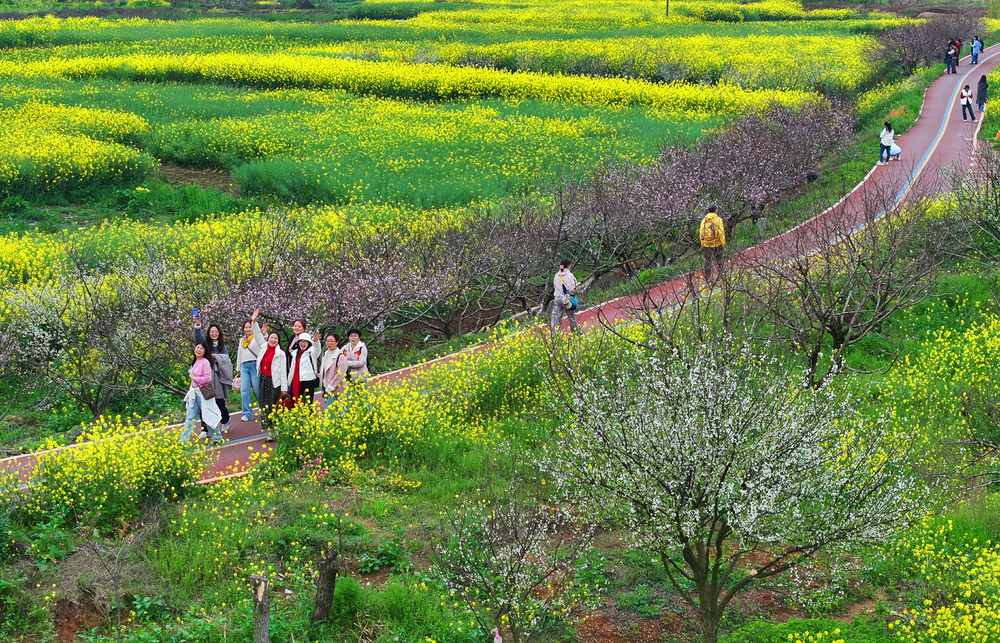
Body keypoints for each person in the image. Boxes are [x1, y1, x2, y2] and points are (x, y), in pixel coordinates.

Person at [193, 318, 233, 433]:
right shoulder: (205, 344)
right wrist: (197, 325)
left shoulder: (222, 346)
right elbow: (198, 338)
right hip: (206, 376)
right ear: (209, 333)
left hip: (218, 376)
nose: (214, 333)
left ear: (219, 333)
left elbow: (226, 360)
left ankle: (225, 420)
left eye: (216, 331)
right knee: (204, 402)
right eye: (212, 331)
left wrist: (216, 357)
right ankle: (204, 429)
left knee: (219, 402)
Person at [180, 343, 223, 444]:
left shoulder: (205, 362)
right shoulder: (195, 362)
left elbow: (207, 379)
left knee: (208, 416)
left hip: (203, 394)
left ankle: (217, 438)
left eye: (201, 348)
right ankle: (183, 441)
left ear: (205, 351)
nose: (198, 350)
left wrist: (195, 378)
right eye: (197, 347)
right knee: (190, 417)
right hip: (194, 393)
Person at [256, 331, 288, 439]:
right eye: (271, 337)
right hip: (263, 380)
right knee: (265, 407)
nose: (273, 340)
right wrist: (254, 322)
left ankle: (279, 428)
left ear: (278, 341)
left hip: (274, 383)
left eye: (275, 338)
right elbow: (257, 335)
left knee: (274, 406)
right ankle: (271, 431)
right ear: (268, 338)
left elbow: (283, 371)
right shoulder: (263, 347)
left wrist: (284, 388)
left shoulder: (281, 354)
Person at [236, 309, 266, 422]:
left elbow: (264, 341)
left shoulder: (257, 338)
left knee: (257, 390)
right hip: (244, 366)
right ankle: (247, 413)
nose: (248, 329)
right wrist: (238, 368)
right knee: (244, 391)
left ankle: (264, 409)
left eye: (250, 326)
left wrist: (263, 333)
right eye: (246, 327)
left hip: (254, 365)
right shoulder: (242, 340)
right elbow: (240, 354)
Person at [288, 332, 321, 407]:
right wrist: (289, 382)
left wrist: (316, 342)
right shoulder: (295, 353)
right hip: (295, 382)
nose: (303, 343)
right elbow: (292, 369)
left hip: (307, 382)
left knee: (307, 405)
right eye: (301, 341)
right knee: (295, 404)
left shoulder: (312, 352)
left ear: (309, 343)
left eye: (305, 341)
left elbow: (317, 350)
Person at [319, 333, 347, 414]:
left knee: (328, 413)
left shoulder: (341, 356)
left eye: (331, 341)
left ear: (337, 342)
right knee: (336, 413)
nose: (329, 343)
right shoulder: (326, 354)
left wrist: (331, 387)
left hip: (335, 389)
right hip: (325, 388)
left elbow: (340, 375)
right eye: (327, 341)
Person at [550, 261, 580, 333]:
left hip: (557, 298)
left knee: (556, 318)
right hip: (567, 299)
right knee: (571, 317)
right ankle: (576, 333)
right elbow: (572, 288)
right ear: (568, 266)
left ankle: (554, 335)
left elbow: (555, 285)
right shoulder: (570, 275)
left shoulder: (556, 275)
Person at [700, 205, 726, 284]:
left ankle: (709, 279)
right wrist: (722, 242)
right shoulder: (718, 219)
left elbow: (701, 231)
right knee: (719, 260)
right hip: (717, 243)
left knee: (708, 261)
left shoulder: (704, 220)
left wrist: (703, 242)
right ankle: (721, 277)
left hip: (706, 244)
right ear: (715, 210)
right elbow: (721, 231)